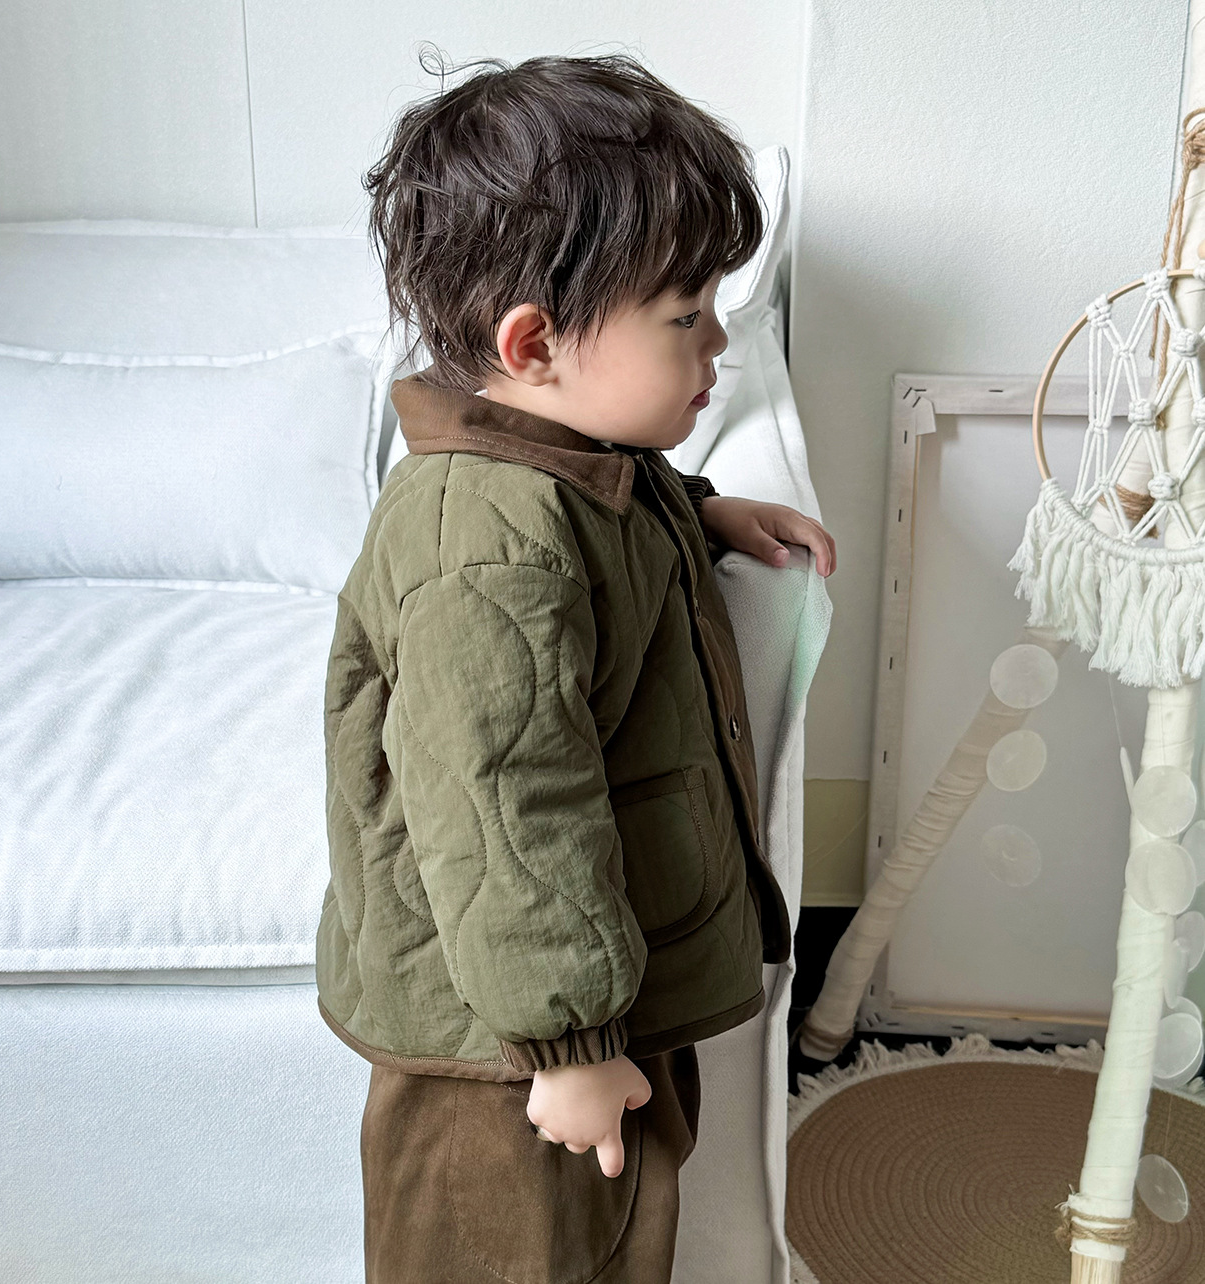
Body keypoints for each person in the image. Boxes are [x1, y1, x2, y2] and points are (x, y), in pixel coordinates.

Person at [315, 50, 836, 1284]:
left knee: (619, 1244)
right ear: (535, 341)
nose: (719, 341)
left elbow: (607, 510)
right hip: (500, 1050)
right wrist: (568, 1043)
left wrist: (698, 510)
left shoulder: (575, 466)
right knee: (511, 1256)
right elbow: (504, 808)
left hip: (586, 1000)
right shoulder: (483, 549)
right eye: (686, 316)